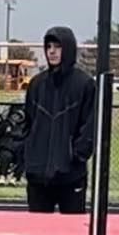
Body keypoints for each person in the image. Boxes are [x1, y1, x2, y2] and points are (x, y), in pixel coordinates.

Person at [23, 27, 95, 213]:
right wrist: (28, 153)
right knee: (37, 232)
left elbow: (90, 126)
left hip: (70, 174)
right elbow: (29, 124)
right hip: (38, 174)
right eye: (48, 46)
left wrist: (77, 155)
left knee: (72, 231)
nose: (52, 51)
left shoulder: (84, 84)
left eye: (57, 46)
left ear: (68, 48)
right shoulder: (37, 84)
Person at [0, 103, 26, 184]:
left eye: (19, 116)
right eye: (15, 115)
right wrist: (3, 128)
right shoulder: (4, 124)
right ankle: (2, 176)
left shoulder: (24, 126)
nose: (16, 117)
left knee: (25, 156)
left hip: (19, 150)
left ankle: (15, 177)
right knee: (6, 155)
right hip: (5, 149)